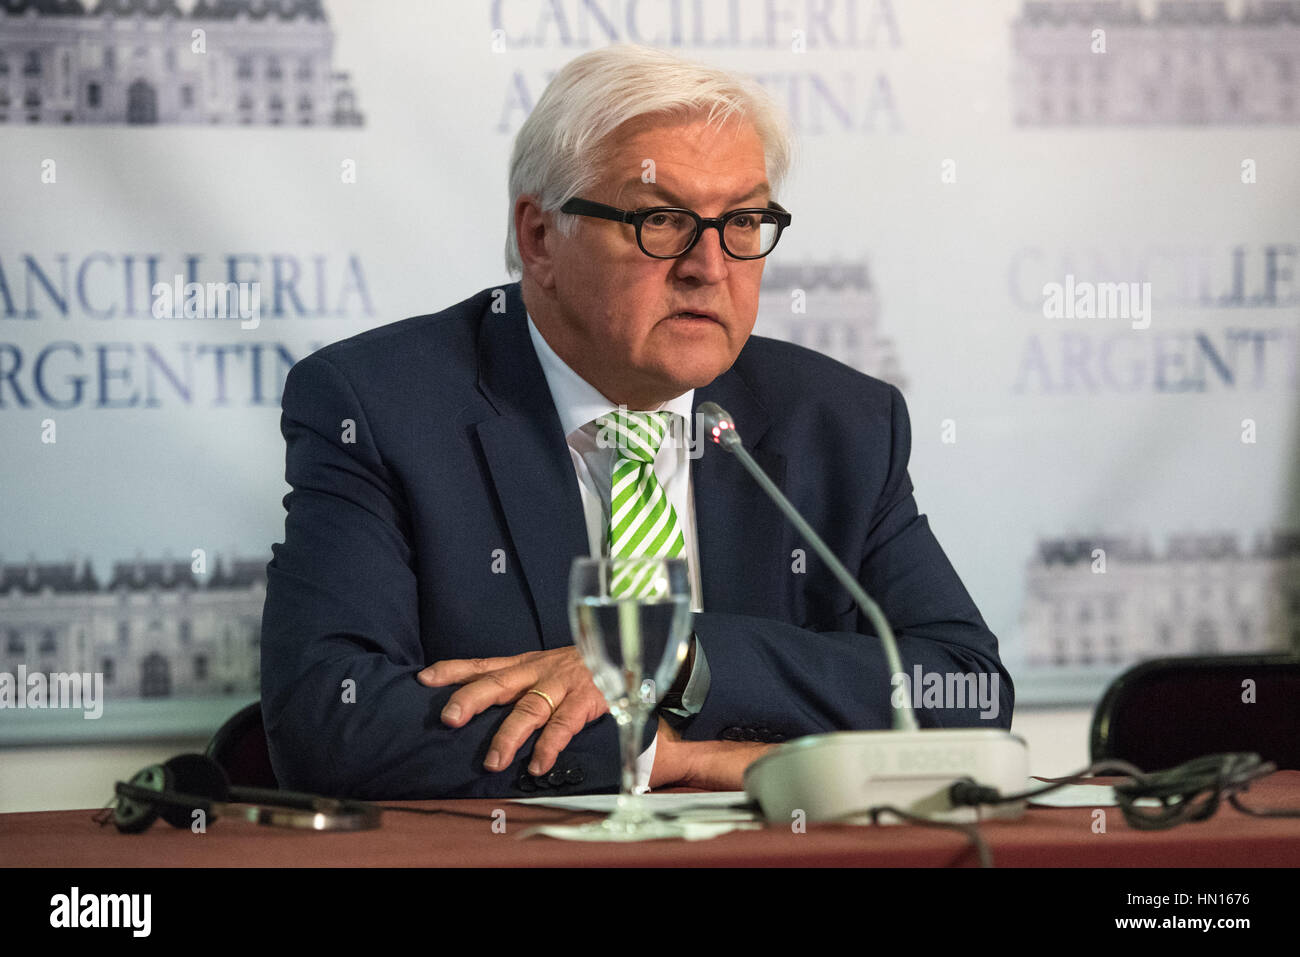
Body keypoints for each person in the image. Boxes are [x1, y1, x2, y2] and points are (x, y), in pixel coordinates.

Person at [260, 44, 1013, 800]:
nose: (709, 266)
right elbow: (330, 720)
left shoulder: (840, 422)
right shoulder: (378, 406)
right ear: (539, 237)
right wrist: (661, 755)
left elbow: (966, 692)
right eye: (660, 220)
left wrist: (682, 655)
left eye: (743, 220)